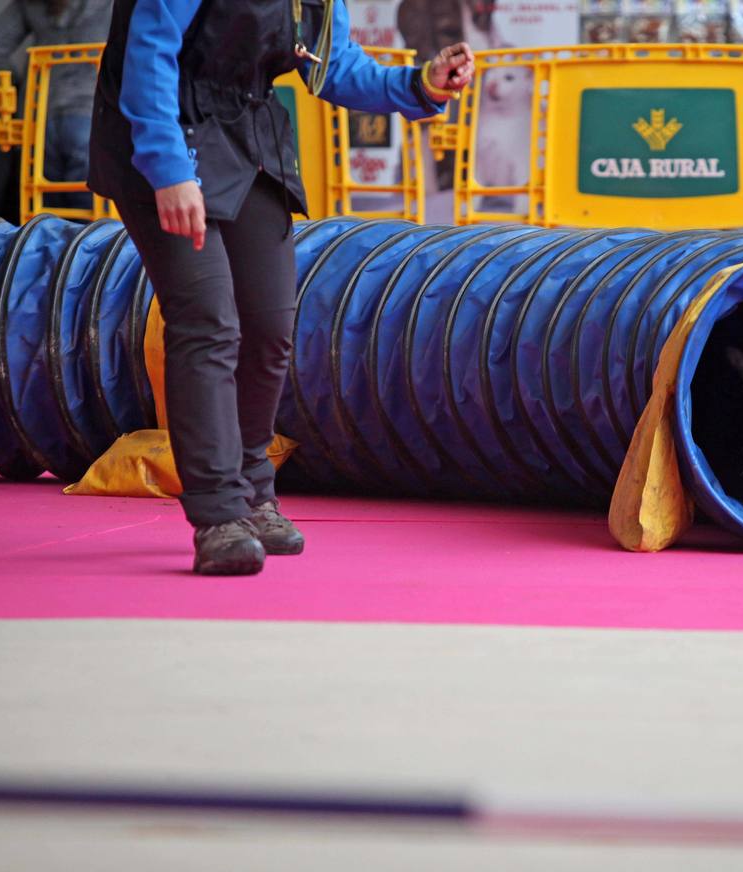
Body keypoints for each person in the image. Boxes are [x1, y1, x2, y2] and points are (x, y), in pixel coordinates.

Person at [87, 0, 473, 575]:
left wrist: (419, 84)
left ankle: (253, 492)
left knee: (269, 329)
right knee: (207, 324)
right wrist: (168, 170)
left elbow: (333, 66)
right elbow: (148, 54)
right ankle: (219, 514)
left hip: (247, 140)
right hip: (161, 135)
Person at [0, 0, 114, 210]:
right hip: (91, 113)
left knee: (48, 218)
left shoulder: (31, 4)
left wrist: (17, 88)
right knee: (95, 218)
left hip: (38, 114)